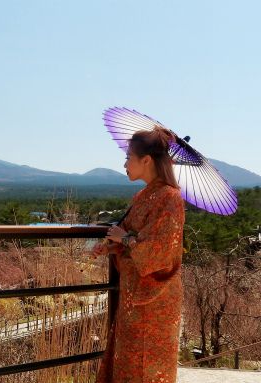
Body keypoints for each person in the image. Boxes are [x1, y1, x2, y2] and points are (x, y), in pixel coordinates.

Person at [93, 126, 185, 383]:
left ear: (146, 160)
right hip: (134, 293)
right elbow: (134, 240)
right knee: (128, 359)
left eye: (128, 157)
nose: (124, 164)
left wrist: (125, 238)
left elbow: (161, 251)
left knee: (149, 364)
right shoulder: (144, 195)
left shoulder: (170, 197)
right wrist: (111, 246)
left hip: (157, 297)